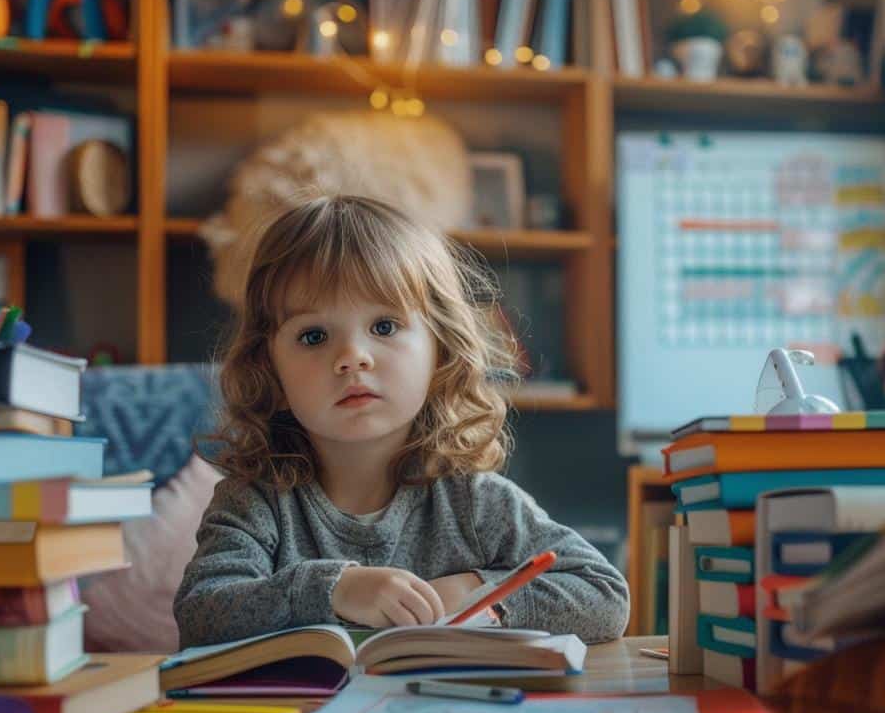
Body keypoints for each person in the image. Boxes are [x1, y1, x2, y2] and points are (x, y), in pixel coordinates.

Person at [173, 194, 629, 648]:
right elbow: (202, 613)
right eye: (313, 336)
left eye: (385, 327)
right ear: (269, 369)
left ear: (440, 350)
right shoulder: (254, 502)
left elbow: (604, 596)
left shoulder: (474, 502)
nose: (352, 357)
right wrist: (335, 590)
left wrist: (474, 590)